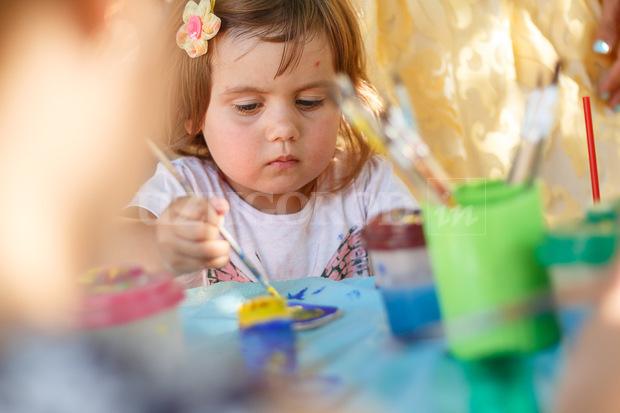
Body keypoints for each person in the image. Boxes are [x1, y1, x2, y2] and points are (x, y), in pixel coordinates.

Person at [121, 0, 418, 288]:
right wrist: (159, 246)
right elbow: (107, 254)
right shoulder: (181, 190)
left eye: (308, 101)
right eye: (249, 106)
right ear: (192, 111)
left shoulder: (367, 186)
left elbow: (428, 256)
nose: (284, 129)